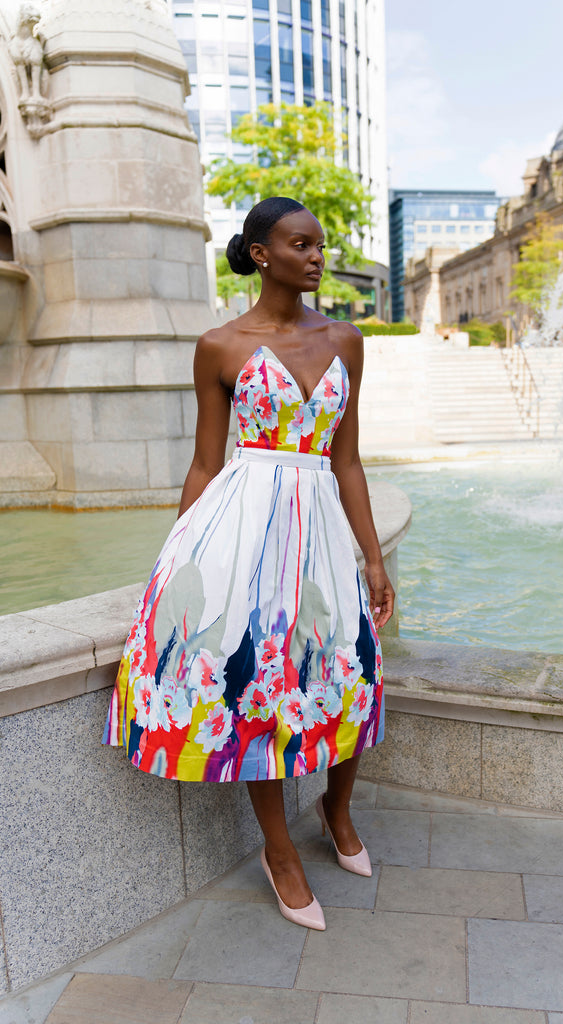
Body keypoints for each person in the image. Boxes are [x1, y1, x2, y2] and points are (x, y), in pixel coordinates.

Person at [103, 196, 394, 931]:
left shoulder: (346, 340)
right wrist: (179, 556)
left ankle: (335, 806)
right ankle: (278, 851)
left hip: (320, 524)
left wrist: (372, 557)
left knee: (351, 667)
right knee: (261, 684)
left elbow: (348, 460)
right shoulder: (220, 346)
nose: (316, 256)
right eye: (300, 244)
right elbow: (205, 462)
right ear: (261, 254)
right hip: (241, 526)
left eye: (319, 245)